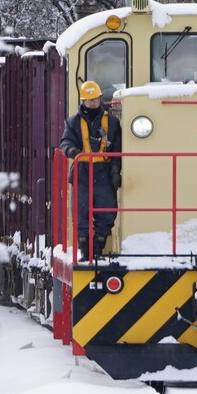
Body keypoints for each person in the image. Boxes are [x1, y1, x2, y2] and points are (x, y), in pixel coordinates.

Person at [60, 80, 121, 259]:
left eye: (95, 99)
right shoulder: (73, 122)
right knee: (81, 214)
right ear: (83, 101)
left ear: (100, 99)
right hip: (82, 173)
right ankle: (86, 253)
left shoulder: (112, 122)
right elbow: (65, 142)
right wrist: (71, 150)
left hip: (104, 172)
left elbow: (117, 147)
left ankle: (98, 248)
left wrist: (116, 171)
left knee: (108, 211)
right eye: (89, 100)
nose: (93, 103)